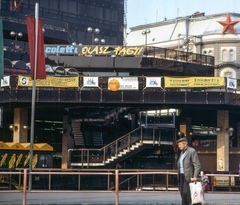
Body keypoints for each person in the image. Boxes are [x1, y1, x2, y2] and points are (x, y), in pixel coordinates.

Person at [177, 137, 201, 205]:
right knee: (182, 194)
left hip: (188, 176)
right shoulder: (182, 152)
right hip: (181, 175)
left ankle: (196, 203)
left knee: (186, 192)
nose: (179, 146)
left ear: (185, 144)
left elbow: (197, 165)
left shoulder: (191, 151)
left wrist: (195, 176)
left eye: (180, 144)